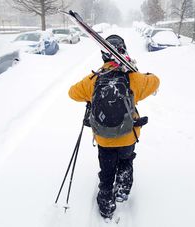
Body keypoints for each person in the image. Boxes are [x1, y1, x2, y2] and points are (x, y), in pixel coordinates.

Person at [68, 34, 160, 219]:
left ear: (104, 55)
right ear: (123, 51)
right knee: (126, 161)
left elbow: (72, 93)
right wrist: (144, 74)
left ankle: (106, 204)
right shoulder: (133, 78)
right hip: (128, 135)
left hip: (104, 138)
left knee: (107, 170)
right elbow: (156, 81)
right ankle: (123, 190)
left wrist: (90, 96)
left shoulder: (94, 79)